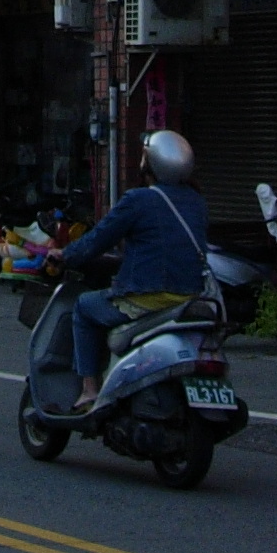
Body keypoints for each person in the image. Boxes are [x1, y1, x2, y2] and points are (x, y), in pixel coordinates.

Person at [46, 130, 210, 413]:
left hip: (148, 297)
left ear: (150, 164)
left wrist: (65, 255)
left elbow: (97, 240)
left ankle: (88, 390)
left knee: (84, 307)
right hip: (190, 297)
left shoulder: (138, 200)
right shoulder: (196, 202)